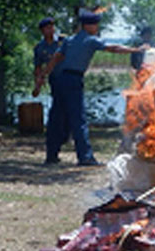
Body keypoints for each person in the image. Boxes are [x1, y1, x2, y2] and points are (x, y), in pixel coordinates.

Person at [34, 9, 142, 166]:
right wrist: (135, 50)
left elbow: (56, 58)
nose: (97, 27)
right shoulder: (90, 40)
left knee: (56, 118)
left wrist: (43, 75)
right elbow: (113, 48)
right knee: (78, 120)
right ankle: (85, 157)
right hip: (73, 80)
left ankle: (51, 156)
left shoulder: (69, 40)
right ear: (88, 26)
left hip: (60, 80)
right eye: (95, 24)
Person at [31, 17, 66, 164]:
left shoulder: (63, 42)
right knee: (57, 116)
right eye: (47, 28)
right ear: (42, 31)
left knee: (70, 118)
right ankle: (53, 152)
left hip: (68, 80)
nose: (50, 30)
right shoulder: (40, 48)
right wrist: (37, 87)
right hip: (55, 82)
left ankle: (61, 142)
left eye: (52, 27)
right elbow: (38, 69)